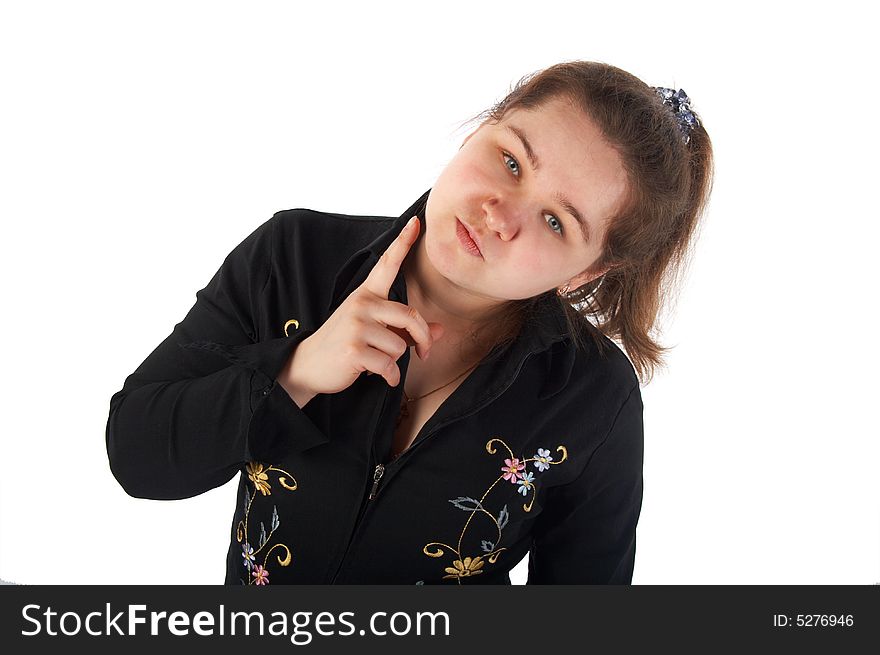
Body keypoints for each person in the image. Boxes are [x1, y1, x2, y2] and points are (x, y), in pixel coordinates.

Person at [105, 60, 714, 585]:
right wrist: (297, 372)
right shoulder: (291, 257)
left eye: (557, 222)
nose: (499, 216)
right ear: (479, 129)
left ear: (586, 274)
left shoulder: (593, 396)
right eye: (509, 161)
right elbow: (137, 455)